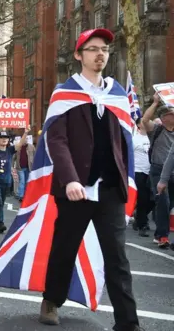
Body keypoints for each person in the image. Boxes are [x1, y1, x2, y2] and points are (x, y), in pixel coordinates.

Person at [40, 28, 140, 330]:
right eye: (93, 49)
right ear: (78, 55)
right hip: (75, 188)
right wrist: (70, 179)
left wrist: (126, 180)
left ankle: (127, 322)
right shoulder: (64, 94)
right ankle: (51, 300)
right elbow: (56, 140)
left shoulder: (116, 94)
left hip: (109, 188)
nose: (100, 55)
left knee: (118, 257)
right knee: (64, 248)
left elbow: (124, 141)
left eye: (105, 50)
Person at [141, 95, 174, 248]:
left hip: (172, 172)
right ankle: (162, 236)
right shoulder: (157, 129)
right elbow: (145, 120)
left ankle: (160, 232)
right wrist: (155, 102)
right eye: (171, 113)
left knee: (169, 204)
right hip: (158, 171)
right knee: (163, 202)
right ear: (163, 117)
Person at [0, 128, 29, 233]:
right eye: (1, 138)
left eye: (6, 138)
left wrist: (26, 132)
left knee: (0, 202)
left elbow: (20, 144)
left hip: (7, 182)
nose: (4, 140)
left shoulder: (10, 150)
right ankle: (0, 223)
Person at [132, 118, 153, 238]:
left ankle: (139, 215)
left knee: (153, 200)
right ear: (139, 125)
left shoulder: (152, 136)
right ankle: (142, 225)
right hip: (138, 171)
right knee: (143, 198)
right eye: (145, 121)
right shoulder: (134, 139)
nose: (148, 122)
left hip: (152, 171)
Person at [12, 135, 36, 201]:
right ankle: (21, 196)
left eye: (26, 139)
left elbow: (35, 155)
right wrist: (11, 166)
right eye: (24, 139)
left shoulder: (31, 147)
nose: (25, 140)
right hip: (20, 167)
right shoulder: (18, 147)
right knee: (22, 181)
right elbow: (13, 157)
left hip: (29, 167)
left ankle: (25, 195)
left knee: (26, 182)